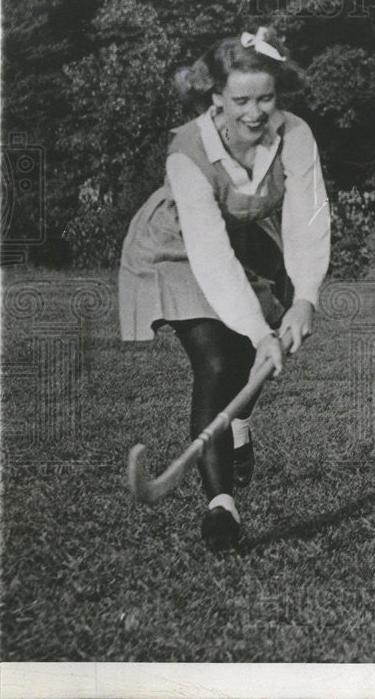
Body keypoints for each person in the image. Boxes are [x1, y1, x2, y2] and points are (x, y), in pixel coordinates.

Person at [119, 27, 330, 552]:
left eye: (266, 97)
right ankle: (221, 508)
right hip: (177, 246)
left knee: (254, 355)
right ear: (216, 96)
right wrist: (259, 329)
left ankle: (237, 425)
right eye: (241, 100)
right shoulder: (187, 152)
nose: (254, 113)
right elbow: (210, 257)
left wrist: (305, 295)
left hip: (246, 240)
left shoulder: (296, 134)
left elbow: (307, 218)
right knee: (217, 359)